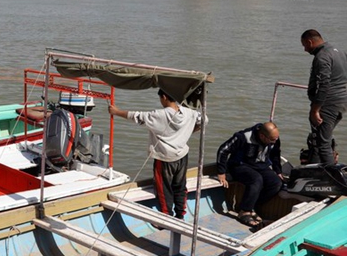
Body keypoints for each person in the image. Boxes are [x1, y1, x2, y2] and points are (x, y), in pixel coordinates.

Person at [108, 89, 203, 219]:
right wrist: (187, 132)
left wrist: (116, 112)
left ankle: (166, 216)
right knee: (180, 186)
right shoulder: (189, 112)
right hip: (182, 155)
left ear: (164, 97)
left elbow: (137, 116)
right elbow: (204, 120)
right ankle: (181, 214)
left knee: (163, 189)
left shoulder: (160, 115)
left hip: (165, 158)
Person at [216, 122, 284, 227]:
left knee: (276, 183)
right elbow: (223, 150)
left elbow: (275, 154)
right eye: (272, 140)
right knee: (256, 180)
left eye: (276, 139)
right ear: (262, 136)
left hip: (260, 165)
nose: (274, 141)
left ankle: (252, 207)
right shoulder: (243, 137)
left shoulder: (274, 139)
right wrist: (221, 172)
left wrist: (278, 171)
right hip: (239, 166)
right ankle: (244, 211)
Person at [301, 29, 347, 164]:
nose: (305, 49)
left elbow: (324, 85)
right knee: (318, 141)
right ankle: (316, 172)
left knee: (323, 144)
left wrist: (315, 110)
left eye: (304, 45)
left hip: (327, 104)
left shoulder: (322, 56)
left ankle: (331, 179)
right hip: (341, 102)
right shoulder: (340, 52)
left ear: (310, 42)